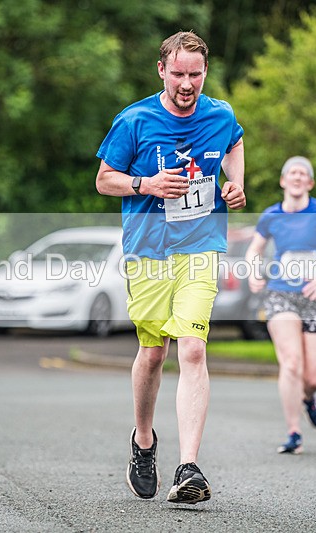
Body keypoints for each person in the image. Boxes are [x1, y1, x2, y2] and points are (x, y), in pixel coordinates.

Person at [95, 31, 245, 504]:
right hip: (149, 250)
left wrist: (235, 183)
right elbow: (104, 181)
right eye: (178, 73)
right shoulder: (134, 119)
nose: (187, 83)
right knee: (154, 353)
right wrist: (146, 183)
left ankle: (189, 467)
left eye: (195, 74)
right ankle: (143, 441)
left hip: (201, 248)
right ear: (162, 69)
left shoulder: (220, 115)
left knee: (193, 349)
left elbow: (235, 143)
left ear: (206, 72)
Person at [245, 156, 316, 455]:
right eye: (292, 172)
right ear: (283, 180)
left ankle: (309, 399)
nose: (297, 177)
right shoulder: (270, 216)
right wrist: (254, 272)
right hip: (281, 295)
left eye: (303, 173)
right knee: (291, 362)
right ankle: (293, 432)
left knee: (313, 378)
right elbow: (254, 250)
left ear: (310, 183)